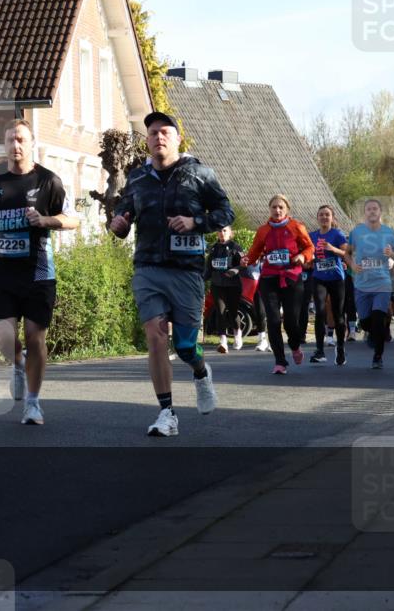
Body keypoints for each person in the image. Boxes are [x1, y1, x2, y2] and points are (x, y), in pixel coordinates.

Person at [110, 112, 233, 437]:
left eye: (165, 132)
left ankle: (201, 371)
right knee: (155, 335)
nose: (158, 137)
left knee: (184, 347)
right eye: (152, 133)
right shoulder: (137, 178)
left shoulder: (199, 173)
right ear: (147, 140)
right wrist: (119, 223)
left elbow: (225, 211)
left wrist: (196, 223)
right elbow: (123, 211)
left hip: (186, 270)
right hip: (148, 268)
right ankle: (167, 412)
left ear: (177, 138)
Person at [0, 119, 79, 425]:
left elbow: (73, 220)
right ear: (4, 145)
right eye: (10, 140)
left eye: (21, 140)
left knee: (35, 338)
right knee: (4, 337)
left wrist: (45, 221)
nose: (15, 146)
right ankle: (17, 364)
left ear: (32, 144)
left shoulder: (48, 181)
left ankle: (33, 403)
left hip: (38, 272)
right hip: (0, 270)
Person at [242, 194, 314, 375]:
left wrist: (302, 256)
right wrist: (246, 260)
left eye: (281, 207)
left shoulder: (296, 227)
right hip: (269, 278)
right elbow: (254, 252)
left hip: (292, 277)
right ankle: (280, 361)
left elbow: (310, 248)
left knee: (291, 321)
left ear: (287, 209)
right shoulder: (263, 230)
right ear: (270, 209)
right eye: (274, 207)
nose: (277, 210)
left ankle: (295, 346)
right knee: (273, 320)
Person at [347, 199, 394, 369]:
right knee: (365, 323)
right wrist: (352, 265)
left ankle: (378, 356)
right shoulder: (356, 232)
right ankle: (373, 333)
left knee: (378, 319)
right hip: (362, 284)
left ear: (380, 212)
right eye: (369, 209)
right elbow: (347, 253)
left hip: (382, 283)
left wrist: (392, 253)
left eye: (375, 209)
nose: (372, 211)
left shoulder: (389, 232)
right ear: (365, 212)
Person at [308, 204, 349, 365]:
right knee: (320, 311)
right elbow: (308, 253)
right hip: (318, 278)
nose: (324, 217)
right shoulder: (312, 236)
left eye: (327, 215)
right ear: (317, 218)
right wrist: (308, 259)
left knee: (338, 315)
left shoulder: (337, 234)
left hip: (336, 279)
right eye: (321, 215)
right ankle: (319, 350)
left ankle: (340, 347)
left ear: (332, 218)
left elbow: (347, 253)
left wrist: (333, 249)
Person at [204, 225, 244, 353]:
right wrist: (201, 279)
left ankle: (237, 333)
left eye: (224, 230)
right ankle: (223, 342)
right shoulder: (214, 248)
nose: (222, 233)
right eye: (219, 231)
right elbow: (209, 269)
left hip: (233, 285)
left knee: (233, 312)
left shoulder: (235, 247)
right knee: (220, 312)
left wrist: (234, 270)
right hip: (217, 285)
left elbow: (243, 265)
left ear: (230, 232)